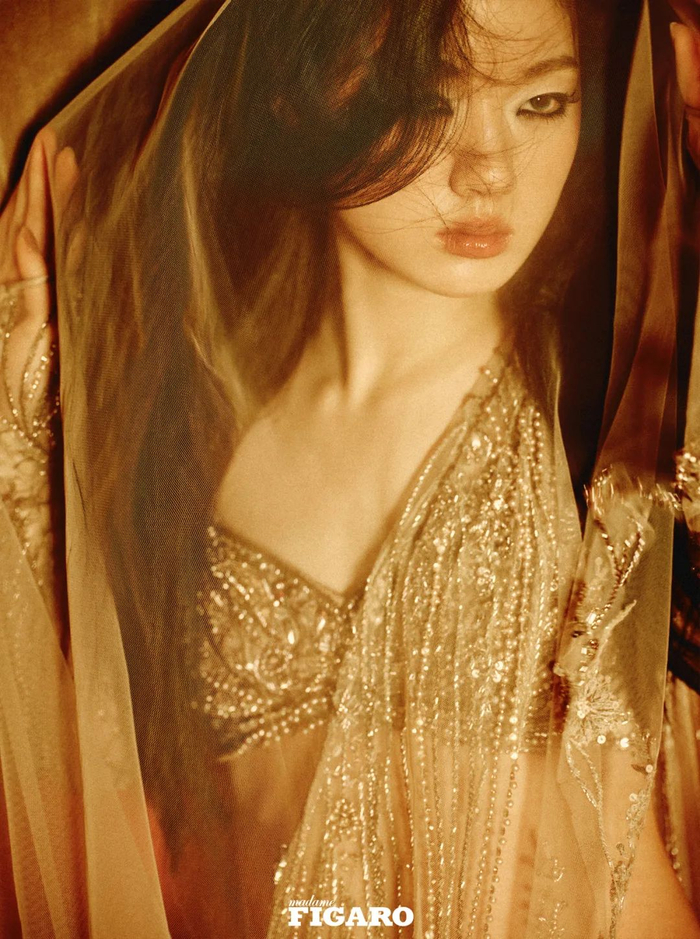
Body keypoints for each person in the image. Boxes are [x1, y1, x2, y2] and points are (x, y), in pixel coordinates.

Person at [1, 0, 700, 936]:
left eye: (540, 103)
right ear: (294, 97)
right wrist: (29, 412)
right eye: (423, 102)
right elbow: (113, 778)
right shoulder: (190, 418)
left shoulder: (601, 446)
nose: (490, 168)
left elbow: (628, 875)